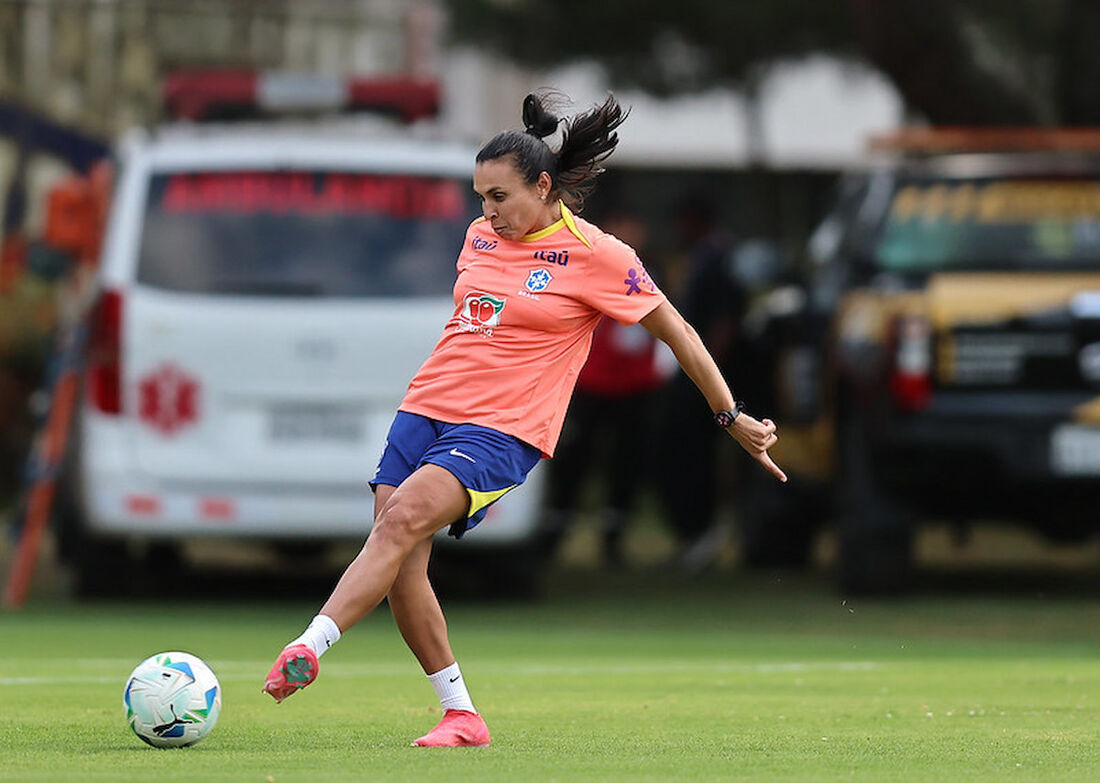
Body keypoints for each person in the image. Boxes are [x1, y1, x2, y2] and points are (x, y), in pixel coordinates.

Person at [261, 92, 786, 748]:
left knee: (397, 525)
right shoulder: (481, 235)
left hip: (501, 431)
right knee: (399, 558)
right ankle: (461, 714)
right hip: (423, 408)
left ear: (543, 187)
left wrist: (729, 414)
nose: (487, 212)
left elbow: (677, 331)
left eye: (500, 196)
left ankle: (309, 646)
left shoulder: (600, 256)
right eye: (480, 196)